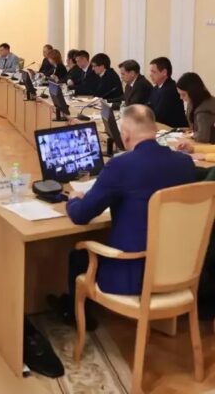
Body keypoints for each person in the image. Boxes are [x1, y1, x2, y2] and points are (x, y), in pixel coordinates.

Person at [49, 105, 196, 328]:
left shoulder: (120, 166)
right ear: (154, 129)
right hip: (177, 271)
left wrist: (74, 198)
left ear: (124, 135)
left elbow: (81, 215)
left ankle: (78, 317)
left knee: (78, 255)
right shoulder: (184, 163)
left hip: (132, 275)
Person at [148, 57, 188, 128]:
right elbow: (149, 106)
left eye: (153, 72)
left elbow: (159, 115)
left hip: (174, 129)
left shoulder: (171, 89)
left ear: (164, 72)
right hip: (161, 127)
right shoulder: (155, 88)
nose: (150, 75)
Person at [176, 72, 215, 143]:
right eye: (180, 94)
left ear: (193, 92)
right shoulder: (193, 102)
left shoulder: (204, 110)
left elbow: (203, 137)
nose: (181, 98)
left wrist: (191, 135)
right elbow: (195, 128)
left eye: (183, 95)